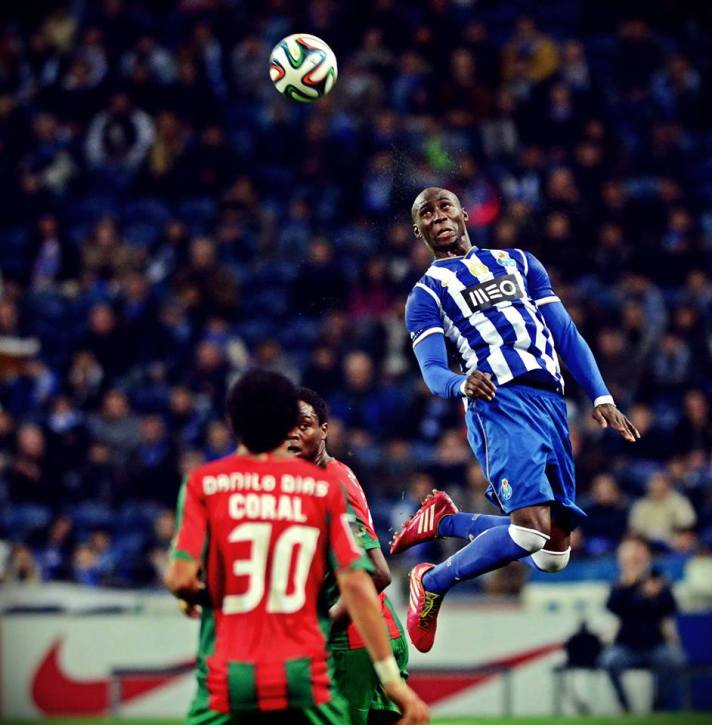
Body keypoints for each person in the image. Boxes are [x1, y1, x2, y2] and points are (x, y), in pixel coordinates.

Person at [395, 187, 639, 652]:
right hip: (499, 401)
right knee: (528, 531)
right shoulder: (425, 294)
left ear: (464, 214)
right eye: (426, 212)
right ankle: (431, 582)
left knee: (552, 555)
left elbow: (564, 332)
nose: (437, 215)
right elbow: (432, 370)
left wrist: (601, 395)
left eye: (445, 206)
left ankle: (447, 521)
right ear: (418, 230)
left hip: (551, 404)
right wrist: (461, 383)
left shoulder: (521, 263)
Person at [164, 370, 429, 725]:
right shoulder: (317, 489)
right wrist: (393, 682)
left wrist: (203, 596)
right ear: (281, 424)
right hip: (305, 662)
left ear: (232, 423)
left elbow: (180, 579)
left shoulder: (205, 484)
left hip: (236, 664)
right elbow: (358, 583)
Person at [284, 387, 409, 724]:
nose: (293, 434)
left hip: (351, 642)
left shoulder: (333, 484)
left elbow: (376, 573)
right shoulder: (309, 481)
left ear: (324, 430)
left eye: (304, 425)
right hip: (363, 634)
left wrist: (321, 627)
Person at [599, 536, 686, 712]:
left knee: (674, 660)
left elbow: (671, 607)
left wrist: (656, 596)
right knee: (609, 661)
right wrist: (626, 586)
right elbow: (612, 607)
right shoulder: (620, 582)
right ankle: (625, 706)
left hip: (656, 645)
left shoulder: (659, 578)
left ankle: (658, 707)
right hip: (626, 646)